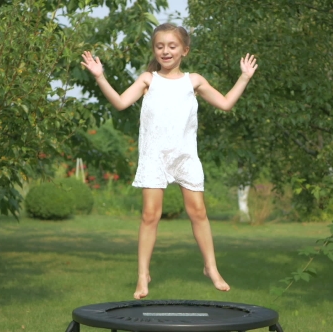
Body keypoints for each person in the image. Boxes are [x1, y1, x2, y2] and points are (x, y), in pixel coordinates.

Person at [81, 23, 258, 299]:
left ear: (184, 50)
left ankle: (211, 267)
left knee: (198, 212)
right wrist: (100, 76)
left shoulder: (194, 81)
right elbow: (119, 102)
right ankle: (142, 275)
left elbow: (225, 103)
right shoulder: (148, 80)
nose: (166, 51)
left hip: (185, 156)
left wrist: (244, 77)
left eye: (172, 46)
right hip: (155, 156)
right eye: (160, 46)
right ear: (154, 49)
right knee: (150, 215)